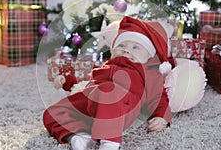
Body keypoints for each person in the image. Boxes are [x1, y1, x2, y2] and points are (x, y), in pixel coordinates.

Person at [43, 16, 175, 150]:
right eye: (121, 45)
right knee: (52, 112)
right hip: (91, 101)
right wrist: (68, 81)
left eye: (136, 47)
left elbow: (159, 97)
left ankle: (109, 143)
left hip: (120, 106)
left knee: (108, 90)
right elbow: (89, 79)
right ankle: (78, 136)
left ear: (149, 56)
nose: (126, 50)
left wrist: (162, 117)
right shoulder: (107, 65)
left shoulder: (149, 73)